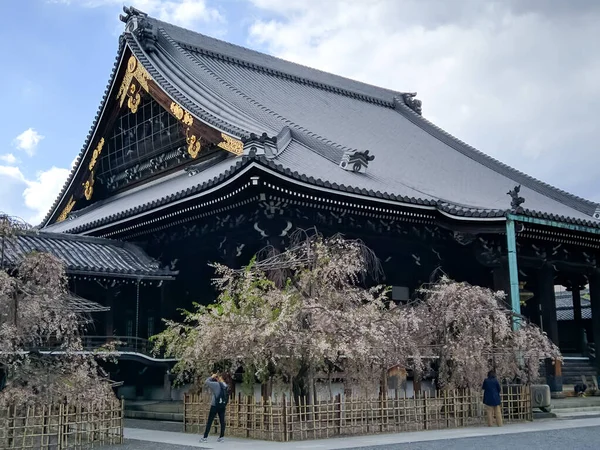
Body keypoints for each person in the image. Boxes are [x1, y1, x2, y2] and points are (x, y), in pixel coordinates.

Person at [200, 373, 228, 443]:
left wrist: (211, 377)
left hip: (215, 405)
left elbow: (207, 382)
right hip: (222, 406)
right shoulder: (226, 386)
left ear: (221, 377)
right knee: (222, 422)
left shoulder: (216, 385)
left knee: (210, 421)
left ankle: (205, 438)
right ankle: (221, 437)